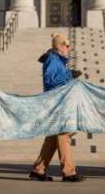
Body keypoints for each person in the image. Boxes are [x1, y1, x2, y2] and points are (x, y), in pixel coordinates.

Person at [29, 33, 84, 182]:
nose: (68, 48)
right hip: (55, 103)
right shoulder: (53, 59)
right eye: (66, 45)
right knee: (63, 135)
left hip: (59, 102)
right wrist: (69, 75)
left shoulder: (58, 60)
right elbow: (50, 79)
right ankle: (69, 172)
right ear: (59, 46)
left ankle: (38, 170)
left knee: (53, 138)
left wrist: (69, 74)